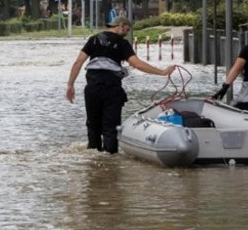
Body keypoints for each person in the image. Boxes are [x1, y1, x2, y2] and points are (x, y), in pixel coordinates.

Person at [66, 17, 177, 153]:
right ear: (121, 25)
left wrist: (70, 85)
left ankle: (93, 161)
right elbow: (136, 64)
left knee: (93, 125)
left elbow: (78, 62)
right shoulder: (122, 43)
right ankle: (111, 161)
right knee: (111, 127)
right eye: (127, 30)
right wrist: (162, 72)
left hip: (92, 89)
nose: (126, 33)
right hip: (111, 89)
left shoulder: (93, 39)